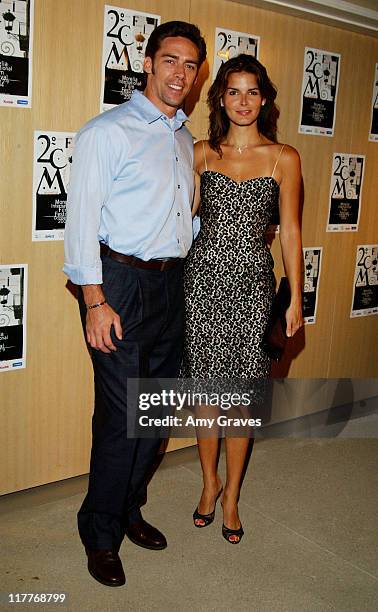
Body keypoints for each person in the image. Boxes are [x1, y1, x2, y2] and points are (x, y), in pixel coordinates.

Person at [64, 21, 206, 586]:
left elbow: (180, 216)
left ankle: (128, 509)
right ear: (147, 64)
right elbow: (80, 223)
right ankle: (99, 530)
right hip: (117, 284)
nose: (181, 74)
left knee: (158, 412)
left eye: (192, 65)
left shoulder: (184, 138)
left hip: (173, 285)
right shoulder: (109, 131)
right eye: (170, 60)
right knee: (123, 417)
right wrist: (95, 301)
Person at [181, 54, 303, 544]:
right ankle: (208, 484)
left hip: (252, 287)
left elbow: (290, 232)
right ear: (220, 98)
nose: (243, 100)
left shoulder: (284, 157)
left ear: (265, 98)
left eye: (253, 91)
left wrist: (295, 298)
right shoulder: (201, 153)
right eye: (234, 91)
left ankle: (232, 495)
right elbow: (180, 217)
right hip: (202, 285)